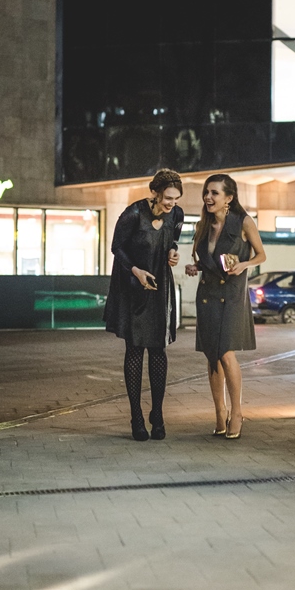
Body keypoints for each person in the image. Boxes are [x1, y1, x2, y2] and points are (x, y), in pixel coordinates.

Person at [103, 169, 184, 441]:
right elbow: (116, 247)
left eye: (175, 198)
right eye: (168, 197)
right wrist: (136, 271)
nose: (171, 203)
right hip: (133, 286)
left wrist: (173, 252)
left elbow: (173, 239)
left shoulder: (177, 214)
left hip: (159, 285)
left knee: (159, 349)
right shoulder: (133, 214)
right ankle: (136, 416)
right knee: (135, 349)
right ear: (156, 193)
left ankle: (157, 414)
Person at [185, 174, 266, 439]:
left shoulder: (243, 222)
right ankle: (220, 413)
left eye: (214, 193)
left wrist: (244, 264)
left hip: (231, 295)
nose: (208, 197)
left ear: (229, 198)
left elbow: (261, 254)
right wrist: (194, 266)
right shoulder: (203, 226)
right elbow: (206, 261)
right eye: (206, 192)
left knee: (226, 353)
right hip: (207, 294)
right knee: (212, 355)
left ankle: (238, 412)